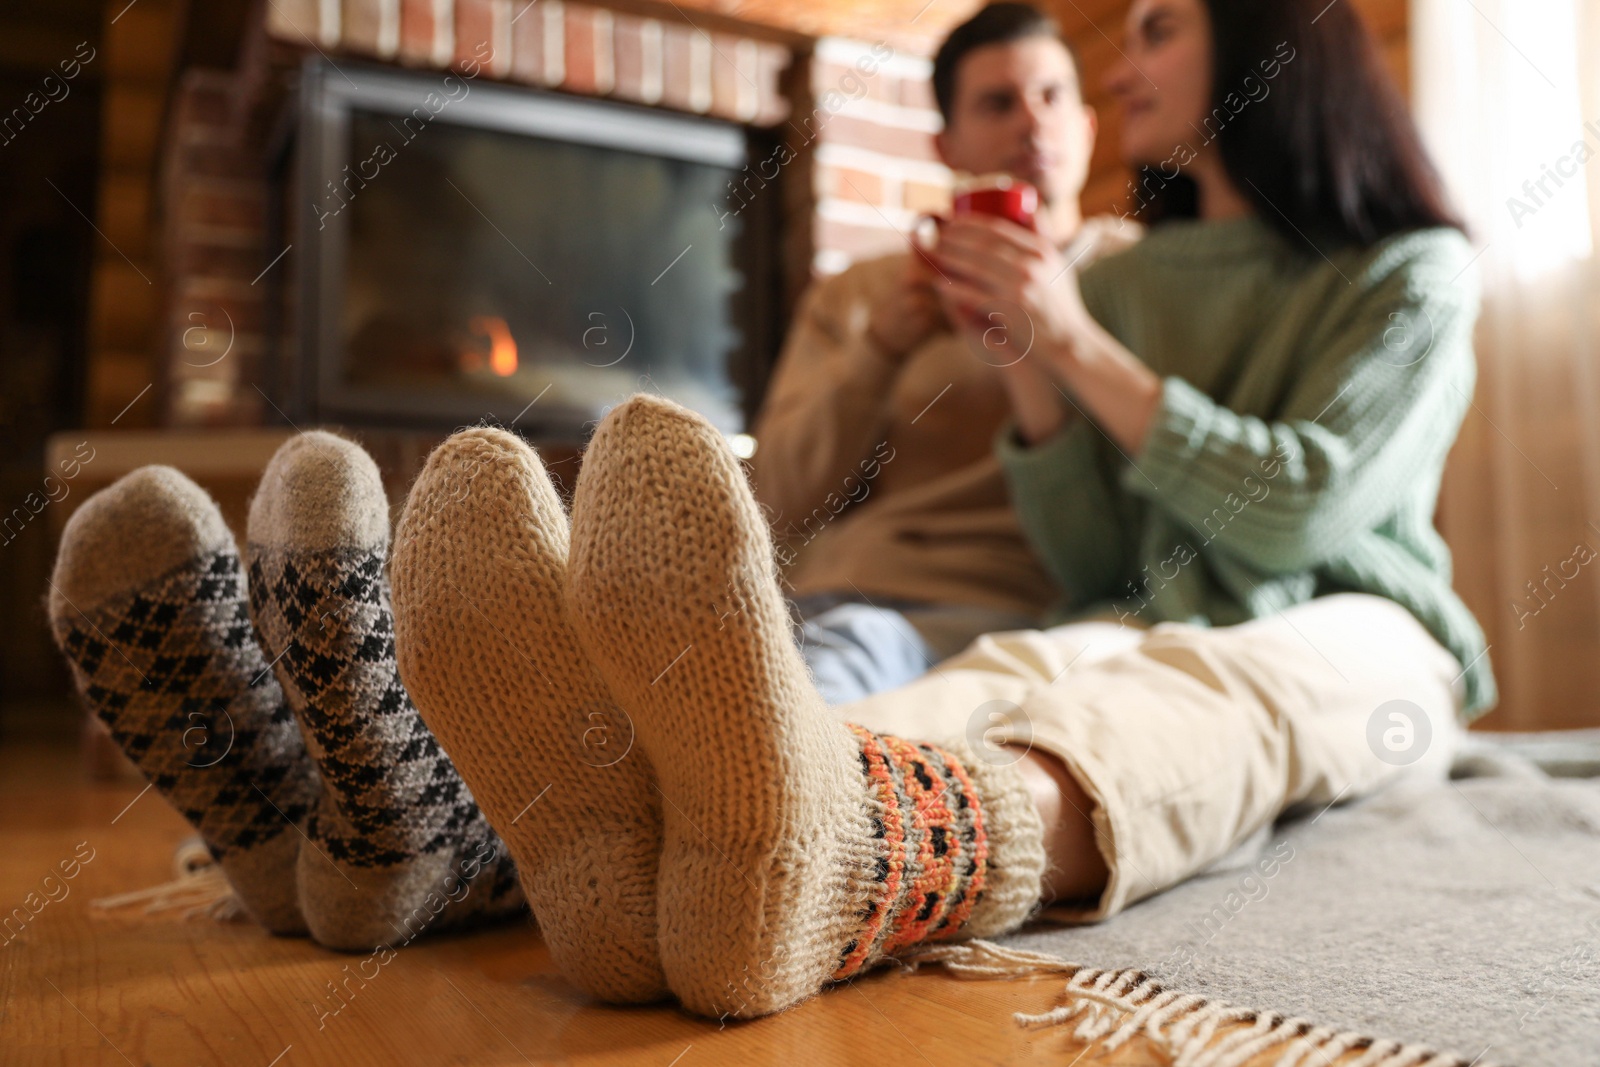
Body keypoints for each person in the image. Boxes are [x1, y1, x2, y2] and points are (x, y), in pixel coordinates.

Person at [49, 0, 1496, 1032]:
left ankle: (852, 840)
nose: (1108, 86)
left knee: (1204, 686)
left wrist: (1057, 339)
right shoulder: (1105, 285)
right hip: (1103, 599)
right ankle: (422, 833)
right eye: (1026, 91)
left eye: (1153, 34)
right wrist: (992, 352)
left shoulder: (1400, 269)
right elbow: (1099, 556)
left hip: (1352, 621)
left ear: (1271, 45)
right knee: (996, 677)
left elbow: (1304, 510)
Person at [753, 3, 1138, 705]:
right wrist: (880, 350)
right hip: (820, 593)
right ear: (947, 147)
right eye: (997, 104)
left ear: (1086, 128)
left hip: (988, 607)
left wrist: (1045, 328)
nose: (1031, 122)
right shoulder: (867, 293)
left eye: (1051, 96)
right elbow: (773, 503)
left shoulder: (1131, 276)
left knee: (828, 670)